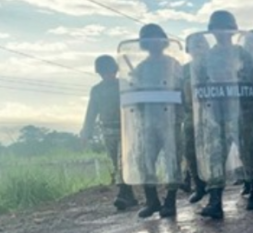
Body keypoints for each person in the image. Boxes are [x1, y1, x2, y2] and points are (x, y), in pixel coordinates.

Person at [191, 11, 253, 219]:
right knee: (215, 155)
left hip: (243, 111)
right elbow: (199, 85)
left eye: (225, 28)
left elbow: (252, 80)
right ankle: (215, 199)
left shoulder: (241, 53)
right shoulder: (207, 57)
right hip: (216, 113)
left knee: (249, 151)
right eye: (218, 28)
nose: (222, 33)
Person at [123, 24, 184, 218]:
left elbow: (182, 90)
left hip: (169, 121)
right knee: (145, 162)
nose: (152, 44)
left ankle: (170, 202)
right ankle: (152, 201)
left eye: (156, 39)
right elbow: (132, 94)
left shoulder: (173, 64)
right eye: (148, 40)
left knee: (172, 162)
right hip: (147, 122)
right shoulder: (140, 68)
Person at [81, 55, 138, 211]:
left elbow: (136, 104)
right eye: (104, 72)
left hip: (126, 129)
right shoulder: (97, 90)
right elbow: (91, 112)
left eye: (110, 71)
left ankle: (122, 194)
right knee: (116, 162)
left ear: (115, 70)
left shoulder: (124, 85)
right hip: (107, 130)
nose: (108, 75)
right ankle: (130, 195)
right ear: (99, 73)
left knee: (123, 161)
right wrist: (86, 132)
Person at [182, 33, 209, 205]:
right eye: (194, 45)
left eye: (201, 44)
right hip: (191, 116)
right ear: (188, 49)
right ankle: (199, 186)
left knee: (215, 153)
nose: (198, 48)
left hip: (212, 114)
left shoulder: (214, 65)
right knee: (190, 152)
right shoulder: (184, 69)